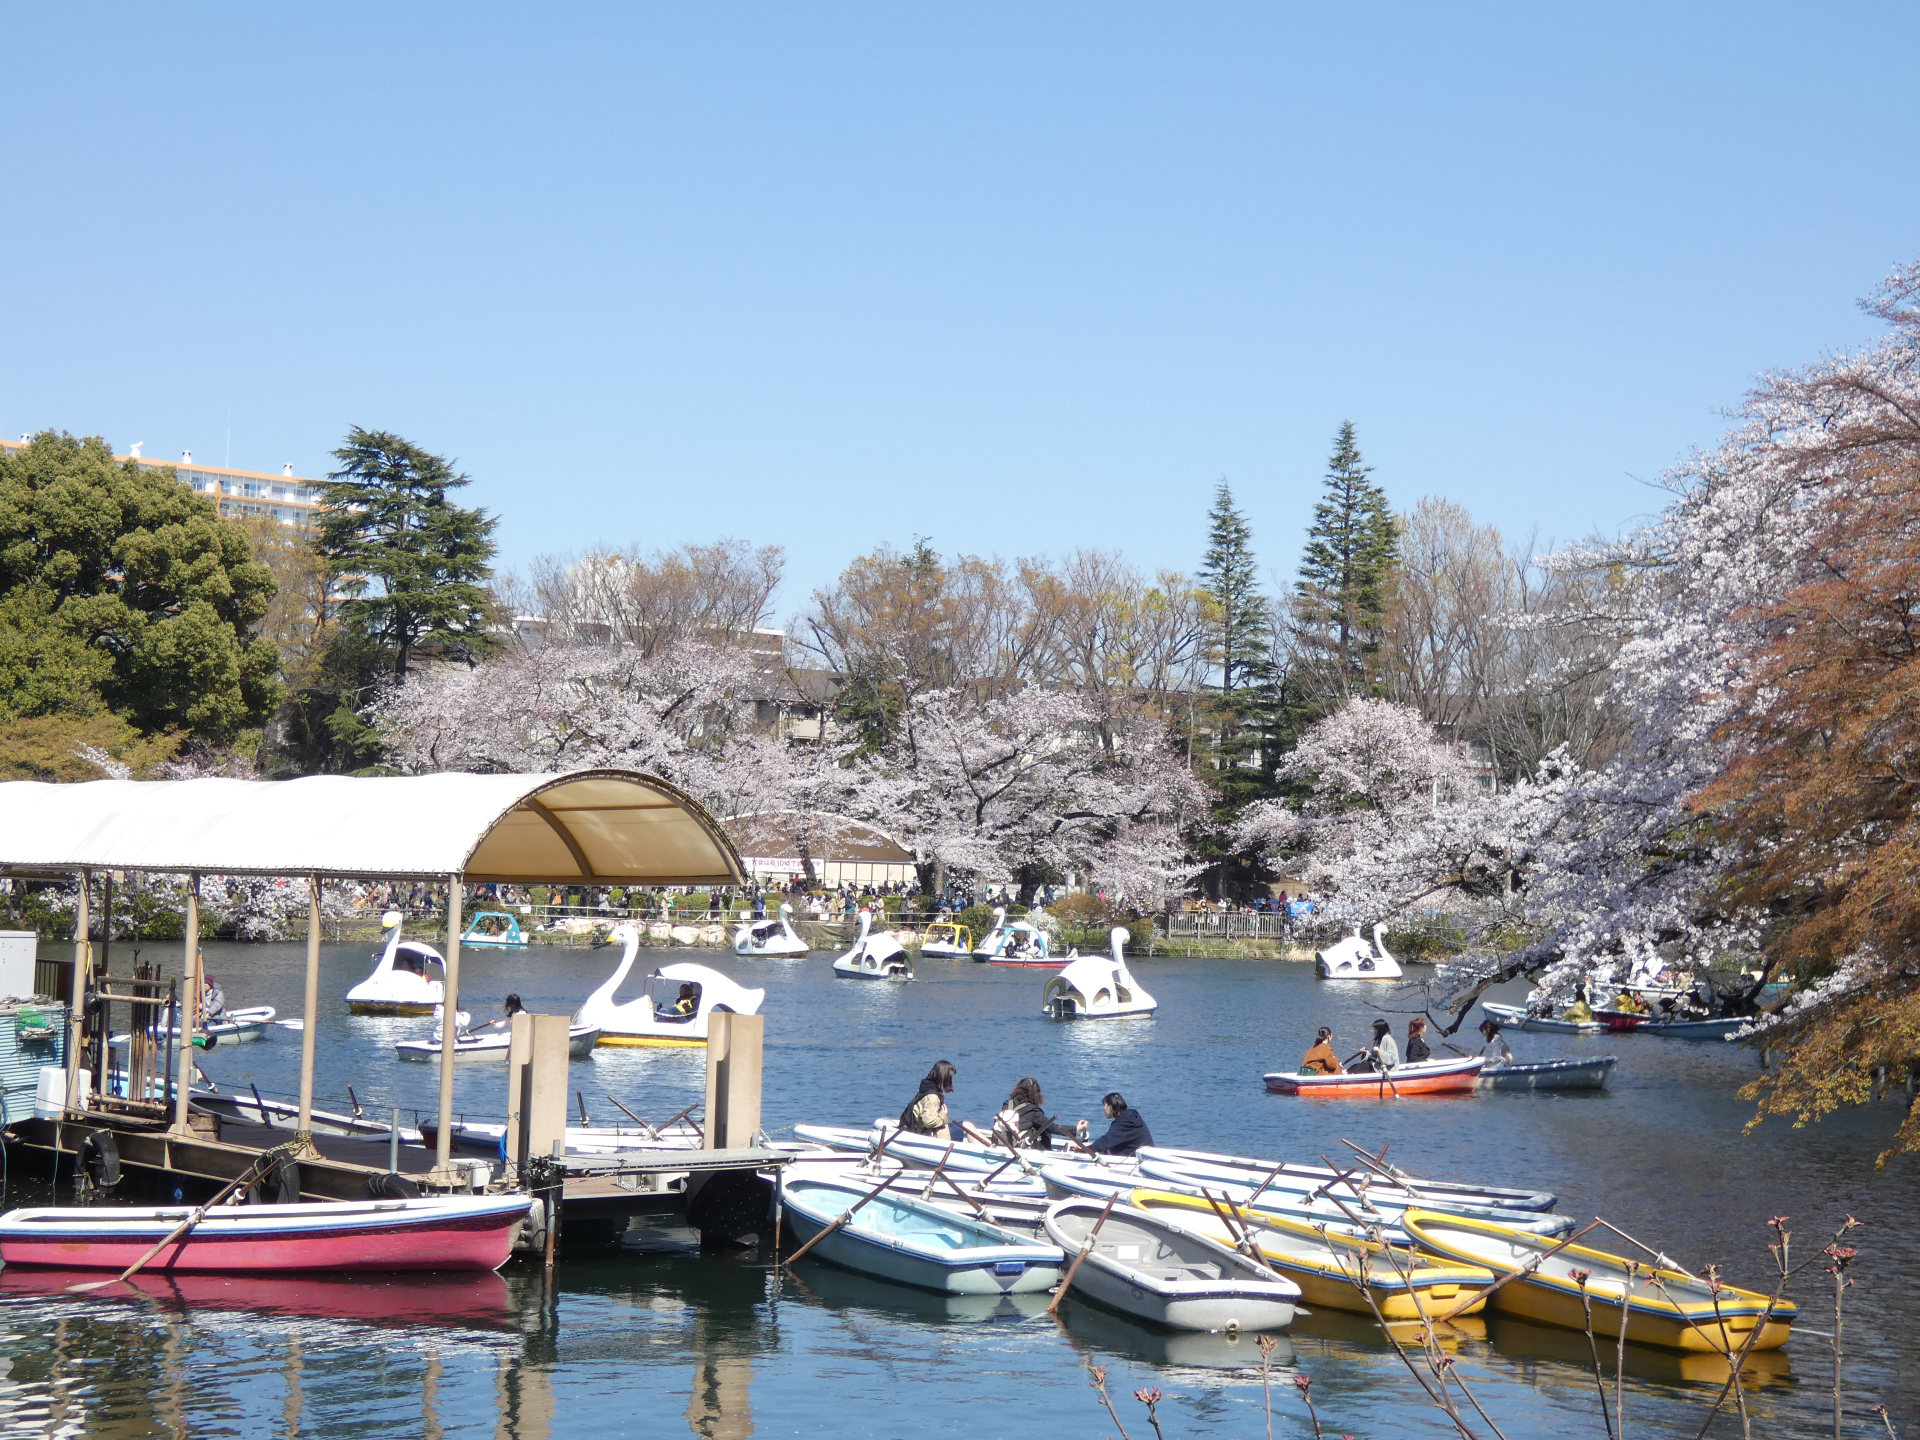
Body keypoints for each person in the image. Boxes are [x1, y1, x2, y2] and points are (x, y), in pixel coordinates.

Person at [987, 1077, 1083, 1151]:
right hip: (1022, 1145)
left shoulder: (1007, 1104)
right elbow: (1051, 1127)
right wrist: (1076, 1129)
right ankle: (1049, 1151)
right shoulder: (1032, 1110)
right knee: (1043, 1129)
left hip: (1003, 1140)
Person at [898, 1060, 957, 1138]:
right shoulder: (932, 1097)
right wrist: (943, 1115)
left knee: (968, 1125)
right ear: (944, 1078)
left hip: (920, 1129)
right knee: (968, 1126)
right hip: (931, 1134)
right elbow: (928, 1121)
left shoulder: (925, 1089)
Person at [1083, 1092, 1152, 1156]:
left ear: (1110, 1106)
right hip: (1144, 1155)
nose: (1103, 1109)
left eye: (1104, 1105)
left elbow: (1106, 1141)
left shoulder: (1125, 1121)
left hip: (1139, 1159)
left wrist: (1085, 1149)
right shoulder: (1128, 1117)